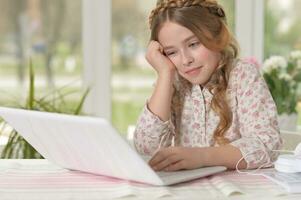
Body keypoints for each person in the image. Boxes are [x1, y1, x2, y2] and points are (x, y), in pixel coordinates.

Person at [133, 0, 282, 172]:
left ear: (217, 36)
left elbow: (267, 144)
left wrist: (202, 157)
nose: (186, 59)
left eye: (193, 44)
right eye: (171, 52)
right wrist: (164, 74)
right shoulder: (173, 83)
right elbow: (147, 149)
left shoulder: (242, 76)